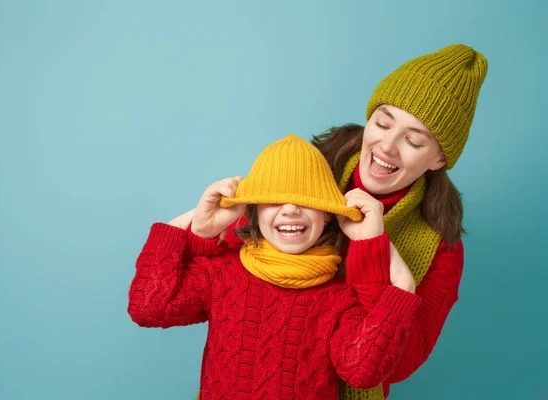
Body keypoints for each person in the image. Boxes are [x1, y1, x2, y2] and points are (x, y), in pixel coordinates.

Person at [186, 44, 488, 400]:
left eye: (412, 140)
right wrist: (204, 234)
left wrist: (372, 252)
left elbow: (401, 361)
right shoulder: (306, 168)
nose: (387, 146)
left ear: (439, 159)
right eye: (382, 122)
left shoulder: (440, 246)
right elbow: (228, 264)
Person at [128, 135, 423, 400]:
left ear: (329, 216)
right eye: (274, 199)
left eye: (307, 201)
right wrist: (193, 223)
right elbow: (149, 308)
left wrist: (402, 283)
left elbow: (362, 372)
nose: (291, 209)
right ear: (252, 211)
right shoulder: (222, 275)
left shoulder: (340, 299)